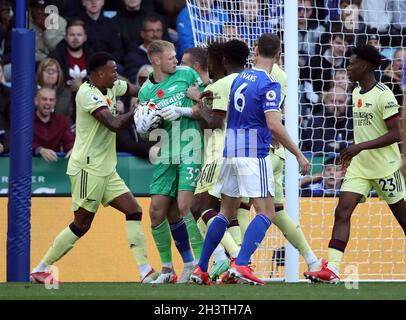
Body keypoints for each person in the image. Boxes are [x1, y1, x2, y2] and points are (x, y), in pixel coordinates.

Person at [190, 33, 310, 285]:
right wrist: (298, 154)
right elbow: (274, 125)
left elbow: (226, 117)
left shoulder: (238, 79)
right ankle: (241, 264)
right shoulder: (269, 83)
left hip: (230, 152)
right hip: (254, 154)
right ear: (278, 56)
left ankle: (201, 268)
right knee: (266, 213)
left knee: (225, 212)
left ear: (256, 51)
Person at [30, 52, 159, 284]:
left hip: (106, 168)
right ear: (99, 74)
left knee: (134, 210)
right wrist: (139, 111)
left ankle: (145, 270)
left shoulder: (111, 85)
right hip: (87, 168)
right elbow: (113, 124)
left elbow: (134, 89)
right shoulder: (86, 93)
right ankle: (41, 268)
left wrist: (158, 88)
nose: (116, 75)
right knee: (81, 224)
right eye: (112, 71)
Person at [304, 45, 406, 284]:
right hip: (360, 166)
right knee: (342, 211)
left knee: (403, 219)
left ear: (366, 66)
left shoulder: (384, 94)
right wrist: (354, 152)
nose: (348, 68)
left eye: (352, 63)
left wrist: (359, 146)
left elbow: (395, 135)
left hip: (385, 167)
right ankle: (334, 269)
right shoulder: (356, 93)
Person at [135, 40, 206, 284]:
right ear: (156, 60)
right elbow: (147, 130)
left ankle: (201, 264)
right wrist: (144, 128)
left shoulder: (187, 74)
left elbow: (205, 106)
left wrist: (184, 109)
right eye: (171, 57)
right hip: (166, 151)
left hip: (191, 147)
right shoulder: (146, 91)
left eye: (176, 56)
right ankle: (170, 267)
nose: (176, 60)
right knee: (157, 210)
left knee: (185, 207)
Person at [188, 40, 249, 282]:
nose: (210, 68)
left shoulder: (222, 85)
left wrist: (198, 101)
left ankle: (234, 258)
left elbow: (215, 124)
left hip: (221, 151)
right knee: (230, 212)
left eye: (211, 62)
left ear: (221, 61)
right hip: (248, 150)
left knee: (199, 207)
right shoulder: (250, 81)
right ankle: (236, 263)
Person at [48, 19, 93, 92]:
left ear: (85, 38)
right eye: (72, 35)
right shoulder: (55, 57)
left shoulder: (93, 57)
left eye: (79, 35)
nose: (75, 38)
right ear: (65, 37)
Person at [32, 87, 75, 162]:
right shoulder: (26, 121)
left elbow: (69, 142)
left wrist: (73, 149)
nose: (48, 103)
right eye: (44, 99)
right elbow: (22, 144)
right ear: (36, 101)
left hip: (54, 166)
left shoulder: (61, 121)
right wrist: (40, 150)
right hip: (30, 167)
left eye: (51, 100)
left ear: (55, 102)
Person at [77, 0, 124, 66]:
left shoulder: (111, 24)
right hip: (84, 65)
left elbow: (118, 51)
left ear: (103, 2)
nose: (93, 2)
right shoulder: (76, 25)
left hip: (108, 65)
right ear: (83, 2)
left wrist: (106, 62)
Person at [123, 15, 165, 83]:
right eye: (151, 30)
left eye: (158, 30)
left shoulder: (170, 53)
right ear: (142, 34)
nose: (155, 34)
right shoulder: (133, 57)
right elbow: (132, 80)